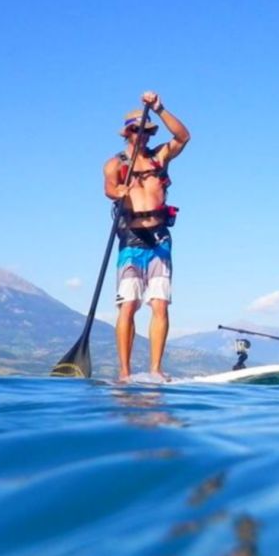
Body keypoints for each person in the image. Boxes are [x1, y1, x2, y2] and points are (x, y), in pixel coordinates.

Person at [104, 90, 190, 381]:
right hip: (131, 239)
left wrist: (160, 108)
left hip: (160, 238)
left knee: (160, 304)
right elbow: (109, 189)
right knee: (128, 305)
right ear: (128, 133)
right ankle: (125, 372)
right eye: (138, 131)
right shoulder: (116, 164)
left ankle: (156, 369)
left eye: (148, 132)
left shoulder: (159, 158)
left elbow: (183, 137)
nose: (144, 136)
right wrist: (119, 191)